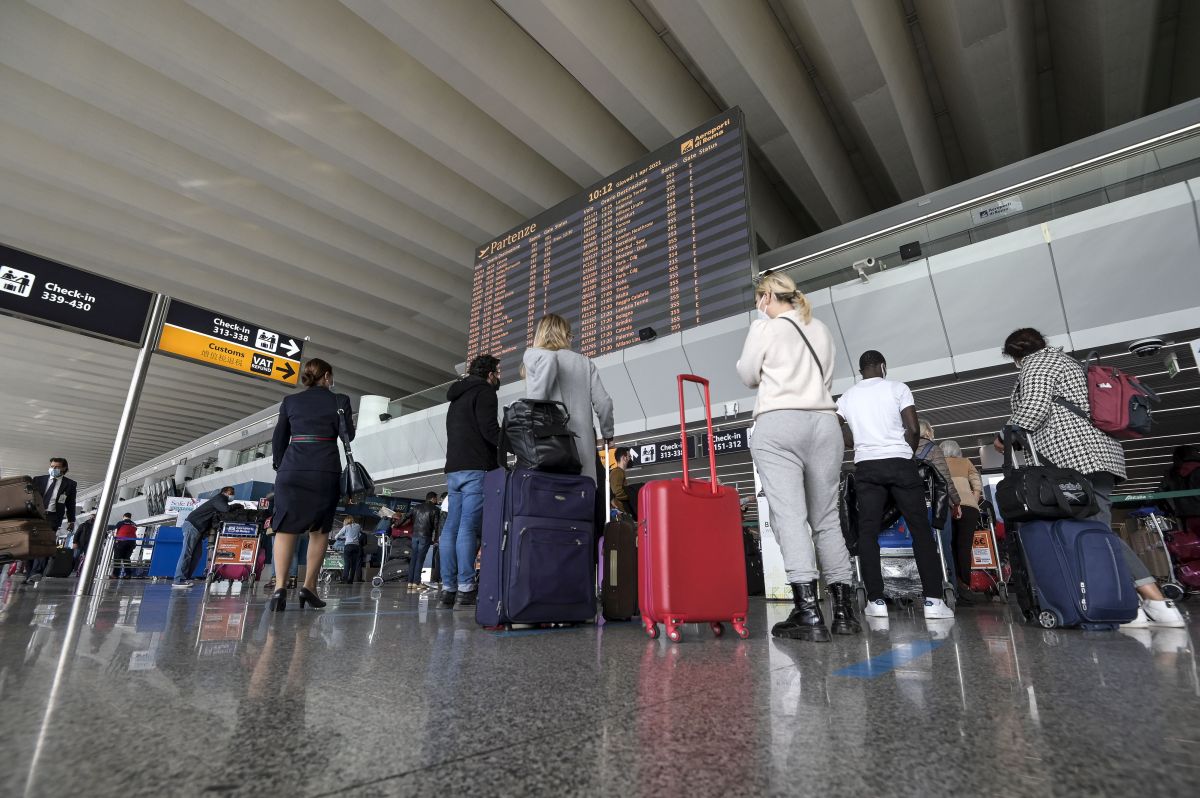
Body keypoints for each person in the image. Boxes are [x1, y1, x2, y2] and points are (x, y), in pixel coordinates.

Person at [996, 328, 1184, 627]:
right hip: (1099, 456)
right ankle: (1129, 601)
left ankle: (1156, 601)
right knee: (1097, 529)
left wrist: (1003, 436)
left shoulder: (1038, 363)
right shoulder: (1067, 362)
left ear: (1015, 356)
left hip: (1075, 459)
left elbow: (1033, 407)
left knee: (1096, 531)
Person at [736, 272, 860, 641]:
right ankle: (844, 614)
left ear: (766, 297)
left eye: (759, 299)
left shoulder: (765, 327)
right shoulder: (820, 328)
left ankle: (808, 612)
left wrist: (759, 325)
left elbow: (748, 375)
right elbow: (826, 380)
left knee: (790, 519)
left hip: (779, 423)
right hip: (824, 424)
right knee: (827, 521)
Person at [837, 350, 954, 621]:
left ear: (860, 371)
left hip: (867, 466)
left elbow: (834, 425)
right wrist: (906, 455)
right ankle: (934, 602)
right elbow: (913, 428)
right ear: (883, 366)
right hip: (900, 463)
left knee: (868, 532)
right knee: (920, 530)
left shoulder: (847, 397)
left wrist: (857, 441)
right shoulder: (898, 388)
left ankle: (876, 601)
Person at [268, 358, 354, 611]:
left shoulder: (290, 401)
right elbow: (348, 435)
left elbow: (279, 437)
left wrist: (281, 465)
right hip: (324, 469)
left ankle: (279, 588)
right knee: (320, 529)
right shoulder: (340, 400)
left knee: (285, 528)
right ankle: (309, 586)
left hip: (291, 468)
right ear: (326, 376)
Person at [522, 313, 615, 488]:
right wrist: (607, 434)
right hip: (583, 450)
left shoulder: (534, 357)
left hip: (549, 449)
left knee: (550, 498)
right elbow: (604, 403)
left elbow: (534, 403)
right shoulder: (585, 363)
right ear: (565, 335)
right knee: (582, 497)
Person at [440, 354, 502, 609]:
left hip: (454, 468)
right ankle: (466, 588)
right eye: (497, 372)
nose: (498, 377)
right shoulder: (485, 392)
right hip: (475, 467)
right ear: (489, 373)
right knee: (467, 527)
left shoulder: (457, 395)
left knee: (450, 528)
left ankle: (448, 589)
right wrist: (512, 446)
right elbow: (489, 430)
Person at [916, 420, 961, 591]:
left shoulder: (905, 450)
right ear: (928, 432)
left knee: (921, 546)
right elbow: (944, 479)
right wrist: (956, 502)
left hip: (914, 506)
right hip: (937, 505)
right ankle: (950, 587)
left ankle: (928, 588)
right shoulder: (934, 449)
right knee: (944, 546)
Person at [940, 439, 984, 601]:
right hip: (969, 508)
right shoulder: (966, 462)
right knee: (964, 547)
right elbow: (977, 484)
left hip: (949, 506)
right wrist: (973, 500)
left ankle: (954, 583)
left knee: (949, 546)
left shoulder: (940, 463)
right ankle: (966, 585)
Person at [25, 457, 76, 584]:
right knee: (31, 545)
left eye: (57, 467)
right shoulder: (38, 480)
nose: (53, 469)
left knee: (45, 544)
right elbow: (28, 497)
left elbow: (70, 503)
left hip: (52, 517)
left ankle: (36, 572)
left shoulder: (70, 484)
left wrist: (71, 520)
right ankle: (29, 574)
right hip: (35, 515)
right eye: (52, 466)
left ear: (64, 468)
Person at [172, 487, 235, 588]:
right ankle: (178, 579)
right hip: (192, 526)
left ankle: (185, 578)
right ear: (225, 492)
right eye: (231, 493)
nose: (232, 495)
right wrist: (235, 506)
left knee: (196, 555)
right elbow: (226, 509)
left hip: (197, 529)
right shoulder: (219, 498)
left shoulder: (220, 500)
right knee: (187, 553)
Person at [405, 492, 441, 592]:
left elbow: (406, 516)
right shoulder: (435, 509)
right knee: (420, 559)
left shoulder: (416, 507)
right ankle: (417, 582)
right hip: (425, 536)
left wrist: (396, 524)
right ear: (433, 499)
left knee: (413, 558)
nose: (436, 500)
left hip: (415, 536)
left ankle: (410, 582)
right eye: (436, 499)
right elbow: (436, 526)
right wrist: (436, 539)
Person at [1160, 445, 1200, 534]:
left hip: (1185, 516)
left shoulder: (1171, 474)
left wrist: (1171, 510)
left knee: (1191, 538)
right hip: (1193, 513)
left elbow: (1162, 492)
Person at [334, 516, 365, 584]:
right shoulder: (358, 526)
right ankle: (351, 580)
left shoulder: (346, 527)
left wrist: (345, 537)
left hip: (348, 546)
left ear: (346, 521)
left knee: (347, 563)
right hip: (356, 546)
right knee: (353, 564)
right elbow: (360, 535)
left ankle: (344, 579)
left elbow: (336, 536)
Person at [112, 513, 140, 578]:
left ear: (124, 516)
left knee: (117, 558)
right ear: (130, 517)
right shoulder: (134, 524)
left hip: (121, 542)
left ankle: (115, 575)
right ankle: (128, 574)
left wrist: (115, 539)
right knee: (127, 559)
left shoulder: (120, 523)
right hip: (131, 543)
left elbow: (115, 532)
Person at [610, 447, 632, 515]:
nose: (630, 459)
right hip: (619, 511)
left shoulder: (619, 472)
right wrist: (631, 496)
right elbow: (617, 492)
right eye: (629, 456)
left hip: (620, 511)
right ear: (624, 458)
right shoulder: (617, 472)